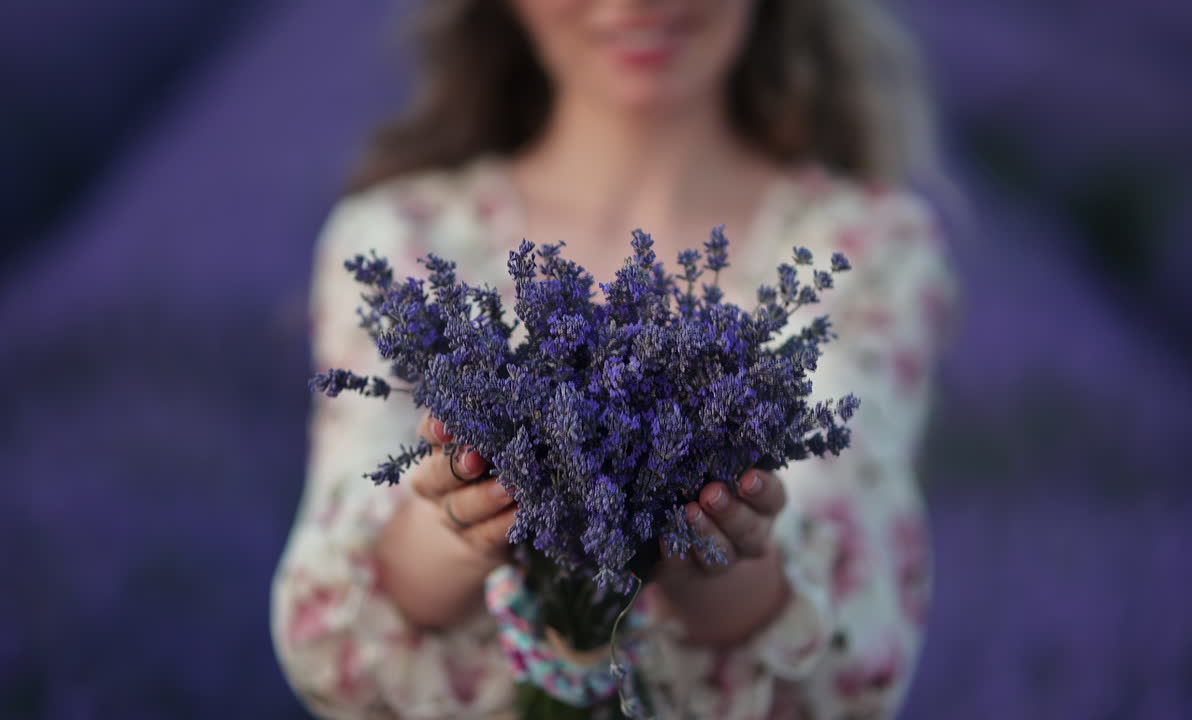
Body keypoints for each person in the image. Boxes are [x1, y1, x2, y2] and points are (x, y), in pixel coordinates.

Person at [271, 0, 957, 717]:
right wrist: (457, 527)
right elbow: (328, 634)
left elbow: (854, 643)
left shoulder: (865, 252)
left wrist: (715, 562)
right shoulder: (400, 242)